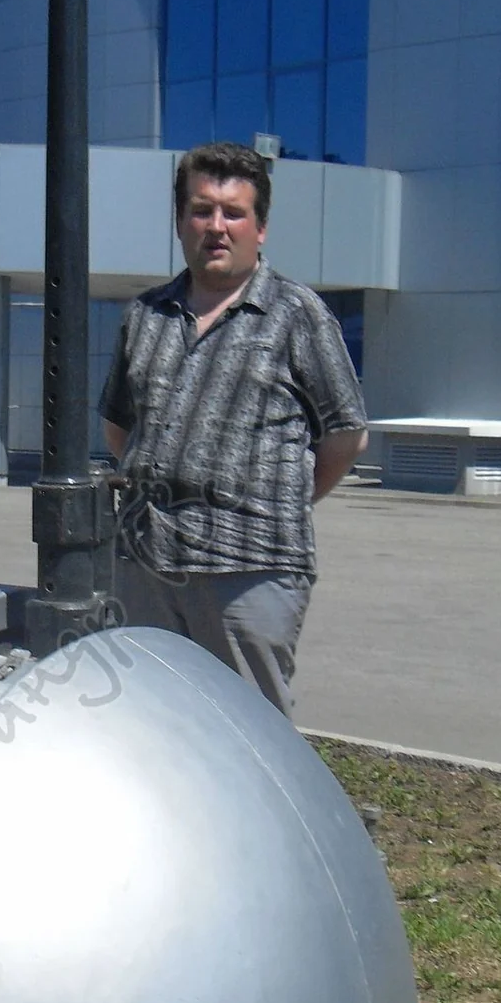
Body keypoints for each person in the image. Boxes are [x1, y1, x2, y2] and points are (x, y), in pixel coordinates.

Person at [98, 141, 367, 718]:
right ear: (180, 222)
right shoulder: (144, 316)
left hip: (250, 568)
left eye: (234, 213)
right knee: (148, 725)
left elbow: (346, 436)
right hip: (145, 565)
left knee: (248, 733)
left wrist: (276, 499)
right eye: (201, 210)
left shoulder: (298, 315)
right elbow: (119, 428)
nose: (216, 227)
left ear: (260, 228)